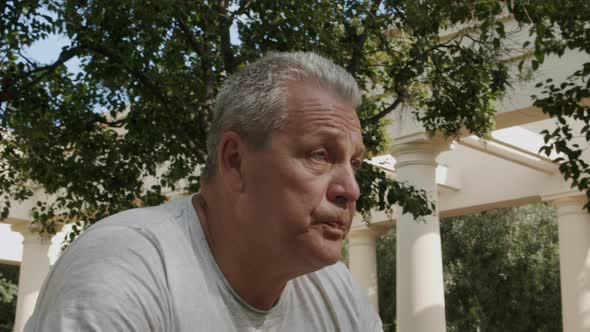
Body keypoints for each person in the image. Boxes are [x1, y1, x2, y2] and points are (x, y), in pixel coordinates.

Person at [24, 52, 383, 331]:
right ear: (235, 161)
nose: (350, 189)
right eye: (320, 155)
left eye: (354, 165)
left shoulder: (336, 292)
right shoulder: (121, 268)